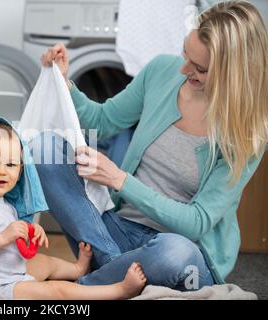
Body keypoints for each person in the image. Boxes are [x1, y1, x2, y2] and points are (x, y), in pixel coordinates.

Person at [35, 0, 268, 291]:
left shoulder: (246, 134)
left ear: (232, 74)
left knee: (175, 253)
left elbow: (196, 223)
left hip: (182, 254)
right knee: (44, 149)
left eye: (199, 68)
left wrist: (119, 179)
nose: (183, 69)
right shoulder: (161, 71)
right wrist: (64, 81)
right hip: (115, 232)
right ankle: (115, 277)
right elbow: (103, 120)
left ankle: (84, 287)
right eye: (185, 54)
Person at [0, 117, 146, 300]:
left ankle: (78, 269)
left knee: (45, 262)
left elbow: (11, 247)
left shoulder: (6, 205)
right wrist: (4, 237)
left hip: (11, 272)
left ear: (21, 170)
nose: (1, 171)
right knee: (56, 290)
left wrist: (30, 234)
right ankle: (118, 290)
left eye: (11, 164)